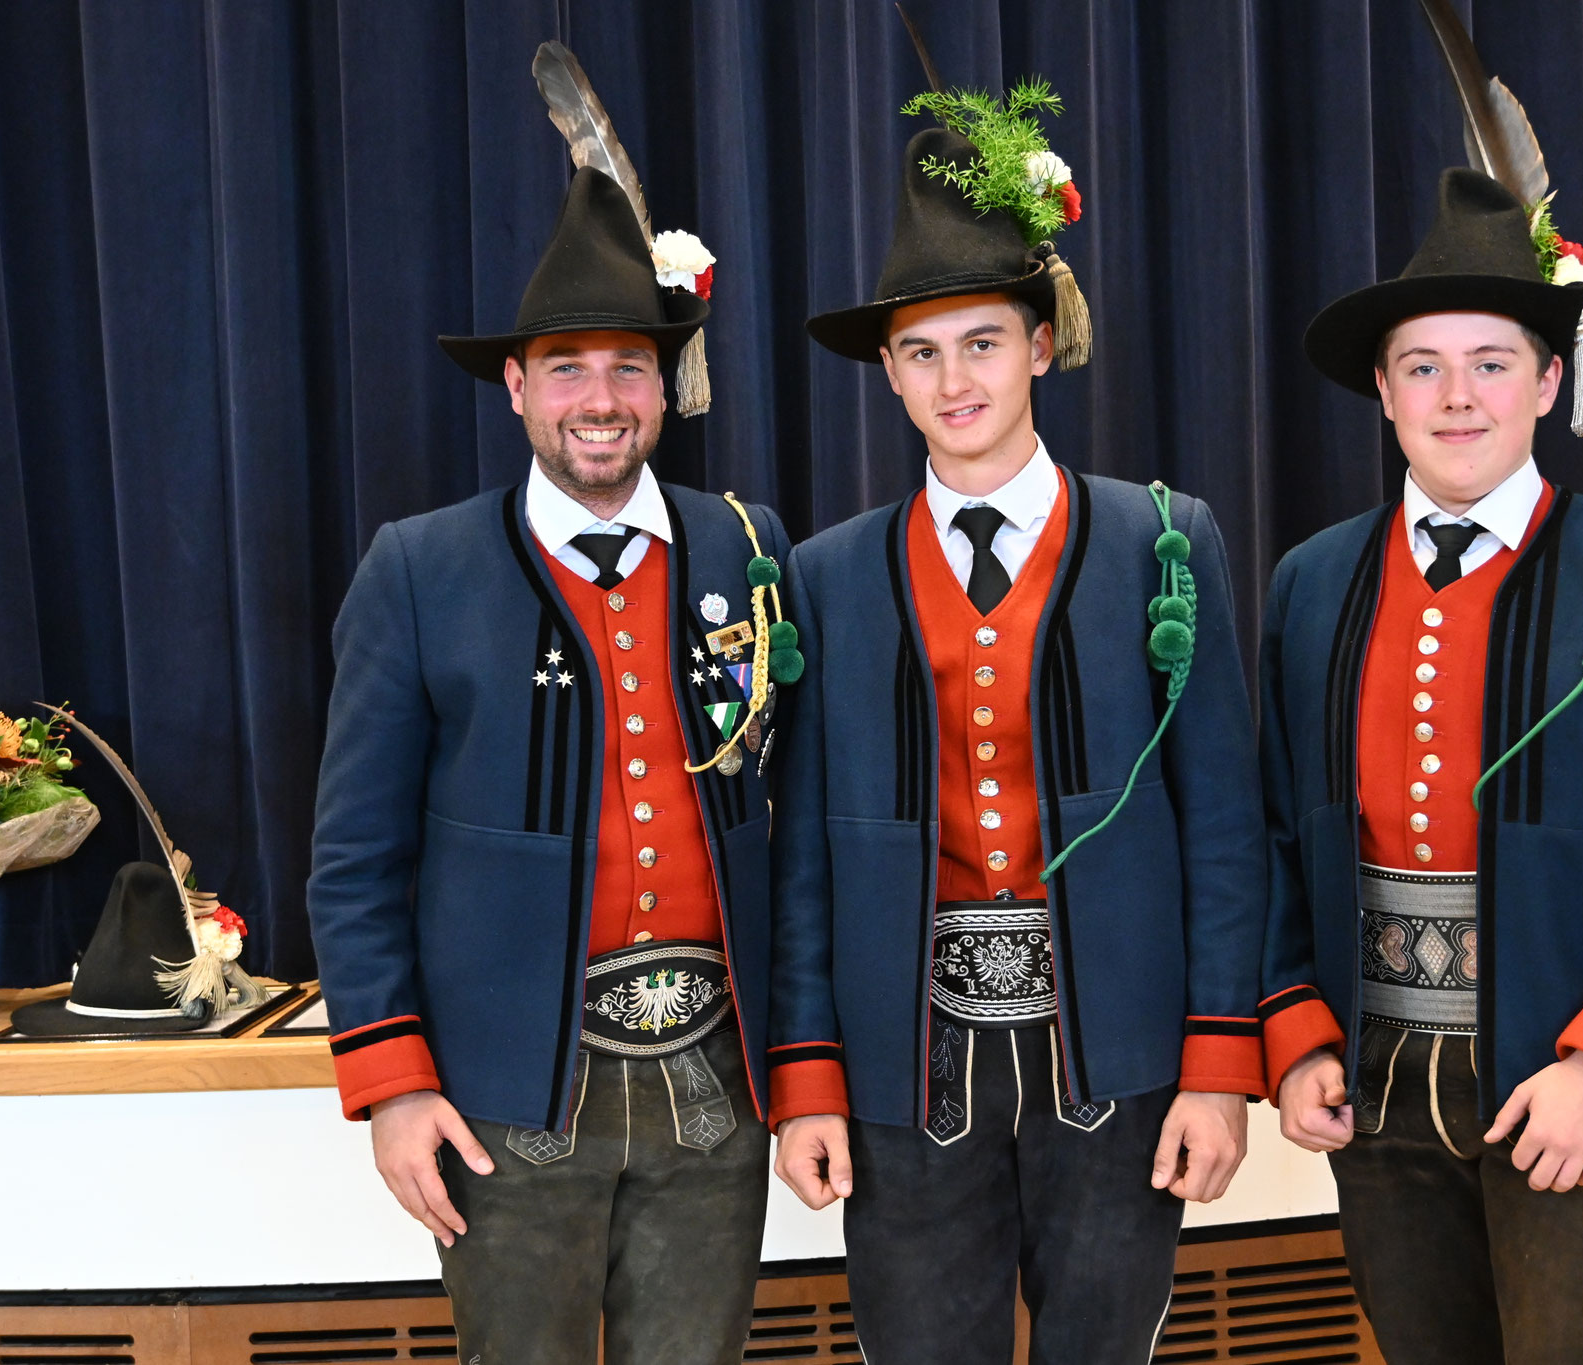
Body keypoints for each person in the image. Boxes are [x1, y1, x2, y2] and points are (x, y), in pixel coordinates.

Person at [766, 101, 1269, 1364]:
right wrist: (808, 1075)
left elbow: (1222, 825)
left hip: (1119, 1060)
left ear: (1040, 346)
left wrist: (1217, 1065)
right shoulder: (826, 575)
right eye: (922, 353)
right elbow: (803, 858)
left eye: (982, 344)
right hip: (902, 1072)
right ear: (889, 373)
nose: (955, 383)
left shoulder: (1164, 542)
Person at [1259, 165, 1583, 1365]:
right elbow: (1271, 835)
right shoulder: (1310, 580)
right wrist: (1294, 1033)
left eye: (1489, 363)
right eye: (1421, 367)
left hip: (1562, 1079)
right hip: (1373, 1084)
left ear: (1546, 381)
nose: (1455, 397)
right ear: (1381, 389)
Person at [307, 160, 791, 1365]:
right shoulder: (418, 570)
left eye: (628, 365)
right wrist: (393, 1083)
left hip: (715, 1082)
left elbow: (796, 816)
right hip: (505, 1091)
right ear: (516, 387)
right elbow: (355, 859)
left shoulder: (747, 547)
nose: (600, 398)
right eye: (566, 367)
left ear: (665, 387)